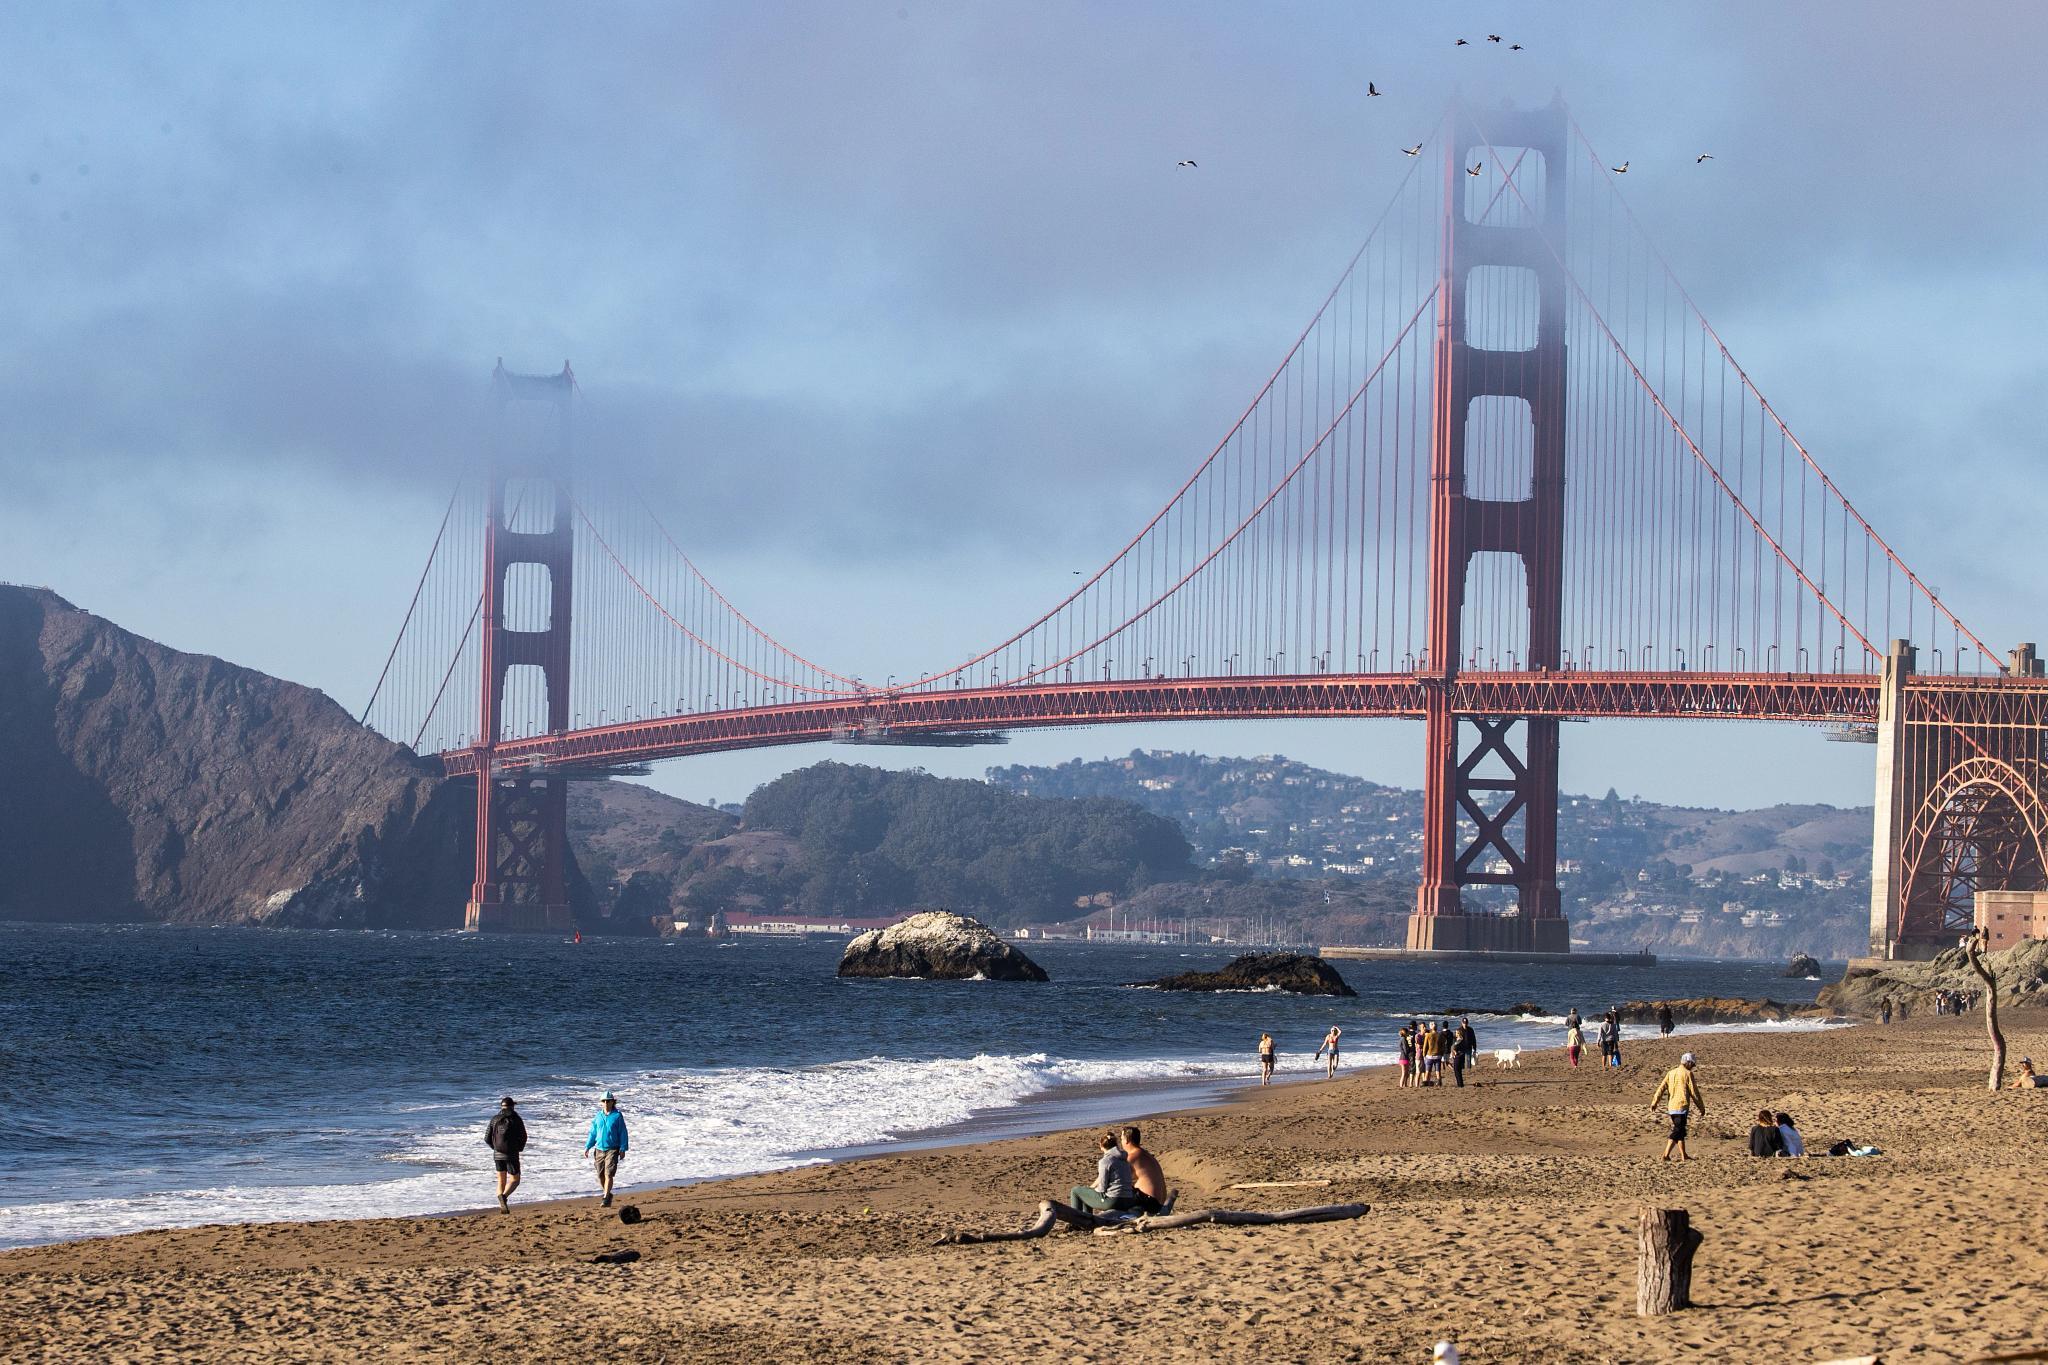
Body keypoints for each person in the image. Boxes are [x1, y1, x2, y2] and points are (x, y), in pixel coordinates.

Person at [1650, 1052, 1705, 1161]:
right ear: (1688, 1063)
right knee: (1677, 1131)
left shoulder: (1671, 1073)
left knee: (1681, 1132)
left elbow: (1661, 1088)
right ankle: (1665, 1155)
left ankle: (1683, 1155)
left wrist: (1655, 1102)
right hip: (1681, 1106)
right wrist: (1701, 1107)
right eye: (1692, 1064)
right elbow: (1694, 1093)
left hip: (1671, 1107)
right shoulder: (1688, 1074)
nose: (1693, 1067)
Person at [1070, 1131, 1138, 1214]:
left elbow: (1102, 1188)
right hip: (1128, 1200)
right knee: (1087, 1195)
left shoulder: (1105, 1161)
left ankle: (1076, 1221)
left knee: (1075, 1191)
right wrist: (1090, 1189)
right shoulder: (1124, 1159)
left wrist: (1093, 1191)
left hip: (1113, 1200)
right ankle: (1086, 1220)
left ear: (1101, 1146)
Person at [584, 1089, 629, 1208]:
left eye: (608, 1101)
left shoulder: (617, 1116)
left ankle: (605, 1198)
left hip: (613, 1149)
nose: (606, 1103)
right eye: (604, 1101)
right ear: (601, 1102)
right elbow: (593, 1133)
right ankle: (608, 1194)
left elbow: (623, 1132)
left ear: (613, 1102)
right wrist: (588, 1146)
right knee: (600, 1175)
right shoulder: (598, 1116)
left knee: (609, 1174)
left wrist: (623, 1148)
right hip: (599, 1149)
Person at [485, 1095, 527, 1214]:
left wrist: (495, 1148)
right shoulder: (516, 1119)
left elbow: (486, 1138)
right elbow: (523, 1136)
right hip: (511, 1154)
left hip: (497, 1155)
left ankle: (502, 1206)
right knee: (515, 1180)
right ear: (512, 1107)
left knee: (501, 1181)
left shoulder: (495, 1119)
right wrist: (519, 1148)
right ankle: (504, 1197)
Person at [1119, 1126, 1166, 1214]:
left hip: (1149, 1202)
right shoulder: (1144, 1154)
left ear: (1127, 1140)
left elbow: (1119, 1179)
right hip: (1159, 1201)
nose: (1121, 1142)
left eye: (1121, 1139)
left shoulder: (1132, 1157)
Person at [1452, 1016, 1476, 1088]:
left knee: (1468, 1062)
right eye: (1463, 1023)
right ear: (1462, 1023)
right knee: (1461, 1063)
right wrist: (1453, 1050)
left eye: (1466, 1023)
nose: (1465, 1024)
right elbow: (1455, 1040)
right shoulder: (1459, 1030)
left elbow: (1473, 1038)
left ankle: (1467, 1071)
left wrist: (1474, 1047)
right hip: (1461, 1049)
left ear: (1467, 1023)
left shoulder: (1470, 1030)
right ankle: (1462, 1068)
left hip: (1468, 1047)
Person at [1397, 1023, 1415, 1088]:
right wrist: (1410, 1049)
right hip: (1404, 1057)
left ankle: (1404, 1085)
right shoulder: (1404, 1039)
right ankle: (1402, 1085)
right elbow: (1405, 1049)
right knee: (1404, 1073)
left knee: (1405, 1073)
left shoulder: (1400, 1039)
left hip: (1402, 1057)